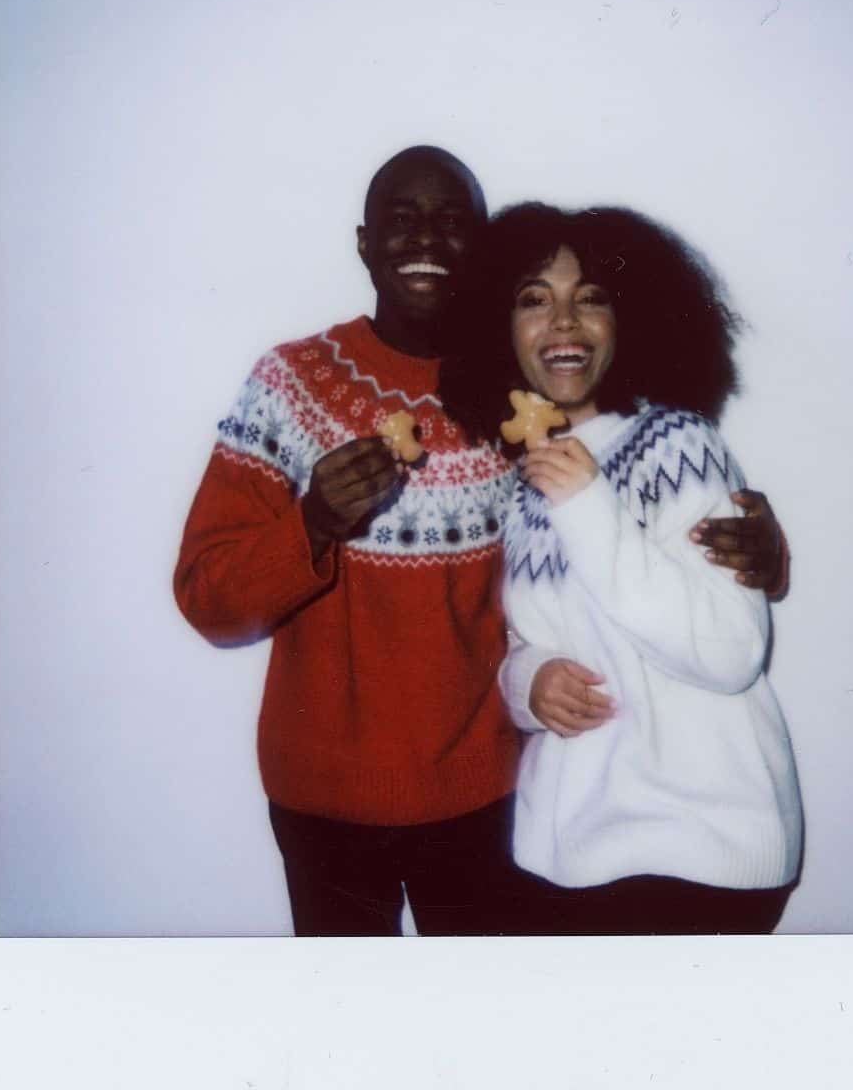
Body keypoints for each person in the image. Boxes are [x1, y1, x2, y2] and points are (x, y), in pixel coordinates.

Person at [173, 146, 786, 936]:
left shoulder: (521, 409)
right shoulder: (288, 383)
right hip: (321, 801)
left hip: (489, 805)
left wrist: (757, 548)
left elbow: (607, 543)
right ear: (364, 242)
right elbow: (209, 599)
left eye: (451, 222)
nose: (425, 239)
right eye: (400, 219)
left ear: (481, 251)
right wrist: (314, 522)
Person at [437, 202, 803, 935]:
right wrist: (528, 683)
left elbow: (732, 652)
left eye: (591, 299)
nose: (564, 322)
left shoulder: (678, 445)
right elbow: (525, 643)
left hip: (698, 845)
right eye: (534, 300)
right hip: (569, 852)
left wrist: (587, 503)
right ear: (500, 330)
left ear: (629, 320)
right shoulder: (523, 486)